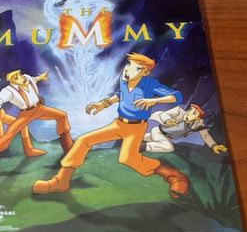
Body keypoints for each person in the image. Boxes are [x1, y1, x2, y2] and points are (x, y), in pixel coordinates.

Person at [32, 53, 190, 199]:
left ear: (144, 72)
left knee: (129, 159)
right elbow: (121, 95)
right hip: (119, 124)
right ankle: (61, 181)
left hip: (136, 128)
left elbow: (176, 96)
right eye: (128, 65)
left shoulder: (149, 84)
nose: (128, 70)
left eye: (135, 68)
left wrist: (154, 101)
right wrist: (104, 103)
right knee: (83, 140)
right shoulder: (124, 79)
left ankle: (174, 176)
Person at [0, 69, 73, 181]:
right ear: (12, 81)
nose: (20, 77)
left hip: (39, 109)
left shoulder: (27, 78)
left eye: (19, 74)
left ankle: (68, 149)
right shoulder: (8, 91)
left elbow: (34, 79)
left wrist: (42, 77)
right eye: (16, 77)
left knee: (62, 116)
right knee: (6, 137)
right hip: (25, 114)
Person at [144, 104, 228, 154]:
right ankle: (142, 147)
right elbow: (164, 115)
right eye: (190, 110)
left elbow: (205, 136)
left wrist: (214, 146)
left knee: (141, 138)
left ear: (198, 118)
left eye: (194, 113)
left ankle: (138, 142)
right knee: (169, 147)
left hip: (166, 137)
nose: (189, 113)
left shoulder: (197, 124)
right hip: (158, 132)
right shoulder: (178, 111)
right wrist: (168, 120)